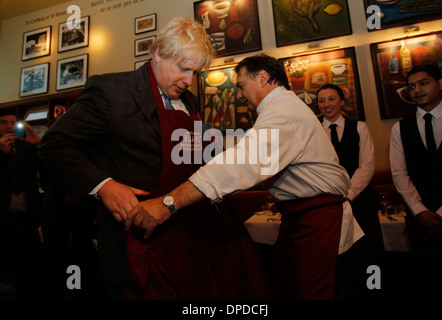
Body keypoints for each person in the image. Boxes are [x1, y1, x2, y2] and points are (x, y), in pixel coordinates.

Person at [38, 16, 268, 299]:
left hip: (180, 231)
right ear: (159, 54)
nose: (189, 80)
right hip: (134, 238)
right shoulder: (111, 91)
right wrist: (104, 186)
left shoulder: (189, 100)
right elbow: (54, 143)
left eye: (195, 72)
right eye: (184, 69)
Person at [125, 53, 364, 300]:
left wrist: (168, 203)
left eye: (241, 86)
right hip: (298, 217)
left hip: (318, 218)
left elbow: (240, 163)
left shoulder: (283, 112)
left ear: (262, 78)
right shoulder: (280, 108)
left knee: (310, 293)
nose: (239, 94)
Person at [317, 83, 387, 299]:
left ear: (342, 102)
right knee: (334, 256)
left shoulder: (360, 127)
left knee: (368, 254)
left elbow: (366, 166)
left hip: (359, 201)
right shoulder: (313, 130)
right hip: (327, 203)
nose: (326, 105)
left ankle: (373, 292)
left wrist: (348, 195)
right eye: (321, 100)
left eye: (331, 99)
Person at [389, 64, 442, 299]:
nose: (417, 90)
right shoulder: (400, 128)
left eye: (423, 83)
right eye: (411, 86)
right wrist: (419, 210)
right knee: (428, 278)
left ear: (441, 84)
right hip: (420, 219)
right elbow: (399, 173)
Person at [0, 109, 46, 299]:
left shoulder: (26, 147)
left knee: (29, 268)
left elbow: (45, 172)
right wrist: (2, 154)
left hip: (28, 217)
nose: (9, 127)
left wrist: (38, 145)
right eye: (3, 123)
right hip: (2, 219)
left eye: (13, 123)